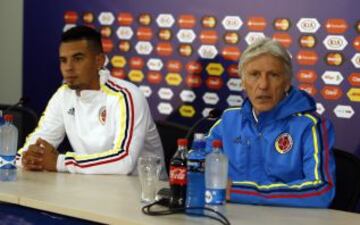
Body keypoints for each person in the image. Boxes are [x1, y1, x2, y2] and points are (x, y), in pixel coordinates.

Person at [18, 26, 166, 176]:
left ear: (99, 61)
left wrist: (59, 162)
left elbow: (124, 161)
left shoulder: (126, 96)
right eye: (63, 60)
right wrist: (27, 158)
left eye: (78, 59)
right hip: (93, 187)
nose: (68, 68)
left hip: (143, 193)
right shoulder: (63, 95)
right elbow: (38, 142)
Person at [205, 38, 335, 208]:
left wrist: (237, 191)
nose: (263, 85)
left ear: (287, 83)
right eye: (254, 75)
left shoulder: (309, 125)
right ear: (243, 82)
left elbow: (321, 190)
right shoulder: (227, 122)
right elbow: (196, 168)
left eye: (273, 75)